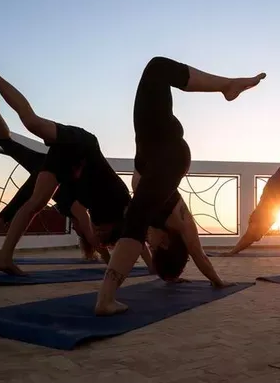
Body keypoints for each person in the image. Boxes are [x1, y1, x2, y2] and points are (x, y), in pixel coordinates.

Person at [95, 56, 266, 316]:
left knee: (156, 69)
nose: (147, 245)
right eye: (152, 247)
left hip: (150, 150)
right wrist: (217, 281)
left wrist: (168, 275)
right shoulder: (183, 223)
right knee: (157, 69)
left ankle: (227, 86)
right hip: (168, 153)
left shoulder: (152, 217)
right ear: (164, 243)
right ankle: (227, 86)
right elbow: (199, 256)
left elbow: (137, 237)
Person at [0, 54, 151, 276]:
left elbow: (96, 237)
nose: (96, 233)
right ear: (115, 227)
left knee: (35, 203)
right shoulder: (123, 204)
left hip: (68, 167)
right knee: (31, 121)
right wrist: (154, 268)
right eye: (101, 232)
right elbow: (140, 238)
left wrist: (106, 255)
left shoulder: (86, 214)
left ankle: (3, 257)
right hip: (83, 145)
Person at [0, 92, 98, 263]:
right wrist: (107, 255)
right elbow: (90, 234)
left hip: (41, 164)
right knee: (11, 212)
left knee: (7, 144)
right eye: (79, 232)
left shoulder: (71, 209)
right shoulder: (78, 209)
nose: (77, 230)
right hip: (47, 171)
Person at [222, 117, 280, 255]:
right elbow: (248, 239)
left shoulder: (257, 222)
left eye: (258, 234)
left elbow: (247, 238)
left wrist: (232, 251)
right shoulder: (259, 227)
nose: (260, 235)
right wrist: (233, 252)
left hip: (275, 187)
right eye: (259, 235)